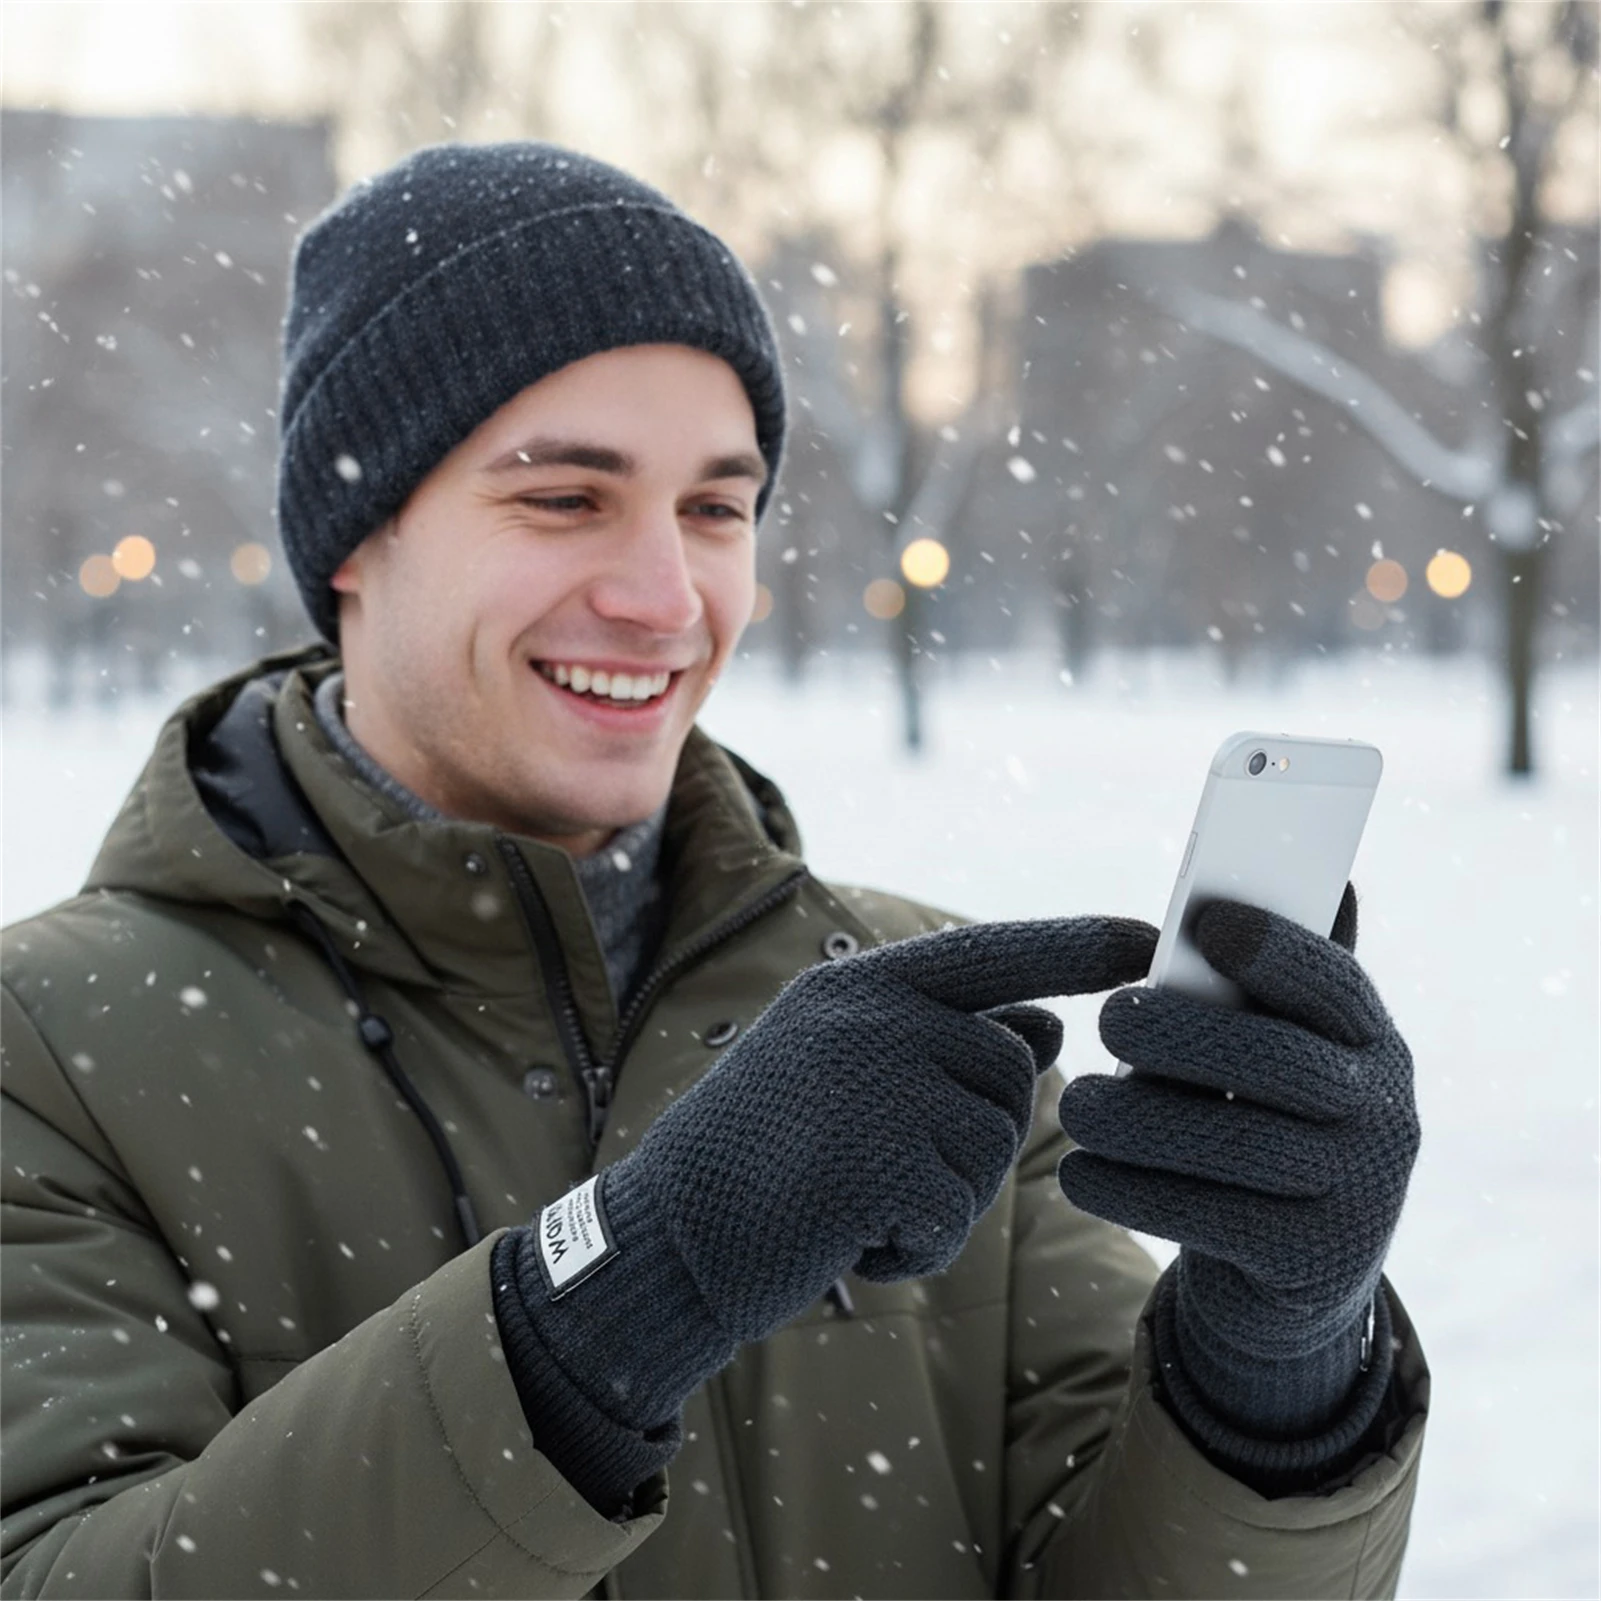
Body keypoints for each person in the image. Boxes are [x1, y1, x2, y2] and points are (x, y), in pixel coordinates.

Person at [0, 142, 1428, 1600]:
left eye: (716, 507)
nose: (666, 598)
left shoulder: (942, 1034)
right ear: (358, 531)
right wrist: (622, 1294)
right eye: (565, 499)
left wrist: (1280, 1365)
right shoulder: (48, 1052)